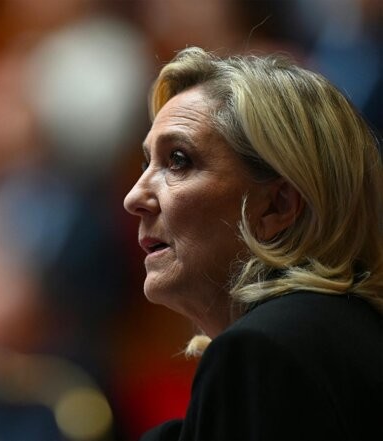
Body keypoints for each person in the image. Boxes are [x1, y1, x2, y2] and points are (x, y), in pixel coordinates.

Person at [123, 47, 382, 440]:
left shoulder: (261, 353)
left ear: (277, 205)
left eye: (178, 160)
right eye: (147, 164)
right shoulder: (348, 336)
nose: (134, 197)